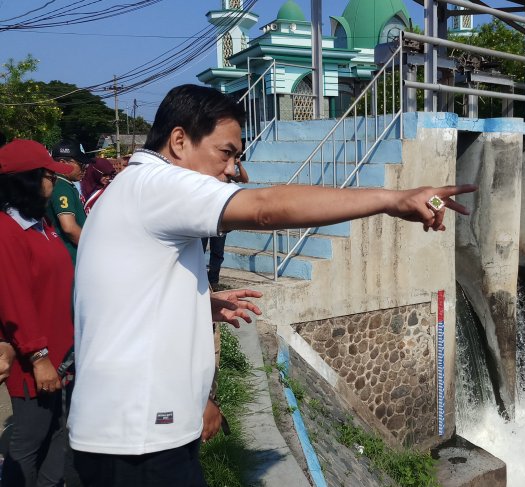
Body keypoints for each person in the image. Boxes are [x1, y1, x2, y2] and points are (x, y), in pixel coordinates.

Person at [68, 84, 476, 486]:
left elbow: (126, 292)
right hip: (137, 441)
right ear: (179, 140)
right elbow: (264, 209)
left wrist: (194, 303)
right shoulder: (157, 186)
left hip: (129, 434)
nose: (231, 169)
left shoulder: (134, 189)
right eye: (225, 153)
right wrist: (393, 200)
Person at [0, 140, 76, 487]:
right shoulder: (7, 231)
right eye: (49, 175)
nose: (54, 183)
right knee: (29, 442)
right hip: (36, 363)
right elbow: (13, 299)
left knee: (60, 433)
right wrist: (39, 356)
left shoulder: (40, 224)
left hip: (63, 353)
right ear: (28, 180)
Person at [201, 158, 249, 288]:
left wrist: (239, 164)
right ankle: (198, 278)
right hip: (205, 218)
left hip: (220, 219)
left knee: (217, 252)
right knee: (199, 249)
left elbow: (245, 179)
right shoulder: (208, 173)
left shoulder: (227, 174)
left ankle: (213, 281)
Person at [46, 139, 92, 264]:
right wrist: (91, 249)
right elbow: (69, 227)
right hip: (69, 257)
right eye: (81, 164)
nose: (84, 169)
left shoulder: (64, 184)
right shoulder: (61, 187)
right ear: (62, 162)